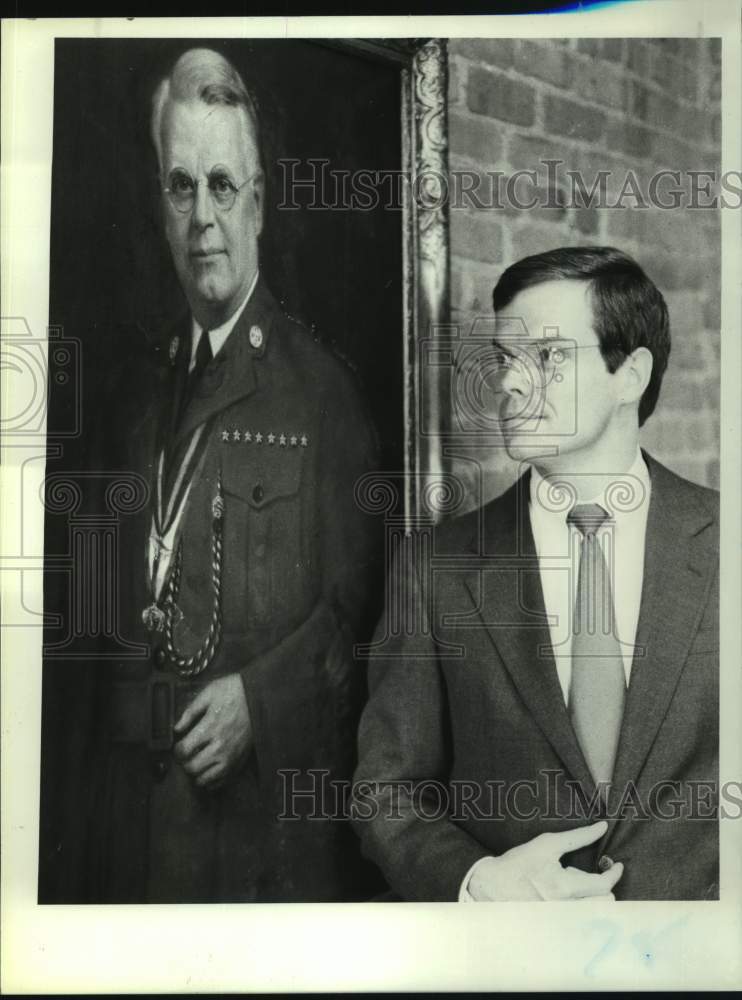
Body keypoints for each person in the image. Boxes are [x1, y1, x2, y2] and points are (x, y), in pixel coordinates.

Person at [56, 47, 380, 903]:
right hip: (130, 851)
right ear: (161, 208)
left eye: (223, 186)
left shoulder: (325, 394)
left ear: (260, 204)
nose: (203, 215)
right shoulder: (131, 394)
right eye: (181, 186)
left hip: (258, 858)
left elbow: (362, 620)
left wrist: (259, 705)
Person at [353, 246, 719, 901]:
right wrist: (475, 880)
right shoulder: (438, 568)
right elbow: (386, 791)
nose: (511, 383)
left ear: (629, 374)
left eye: (548, 356)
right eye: (505, 360)